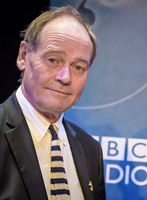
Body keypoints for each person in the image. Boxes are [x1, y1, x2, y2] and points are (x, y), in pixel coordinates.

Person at [0, 6, 106, 200]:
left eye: (78, 67)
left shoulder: (91, 150)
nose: (65, 77)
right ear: (23, 56)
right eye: (53, 60)